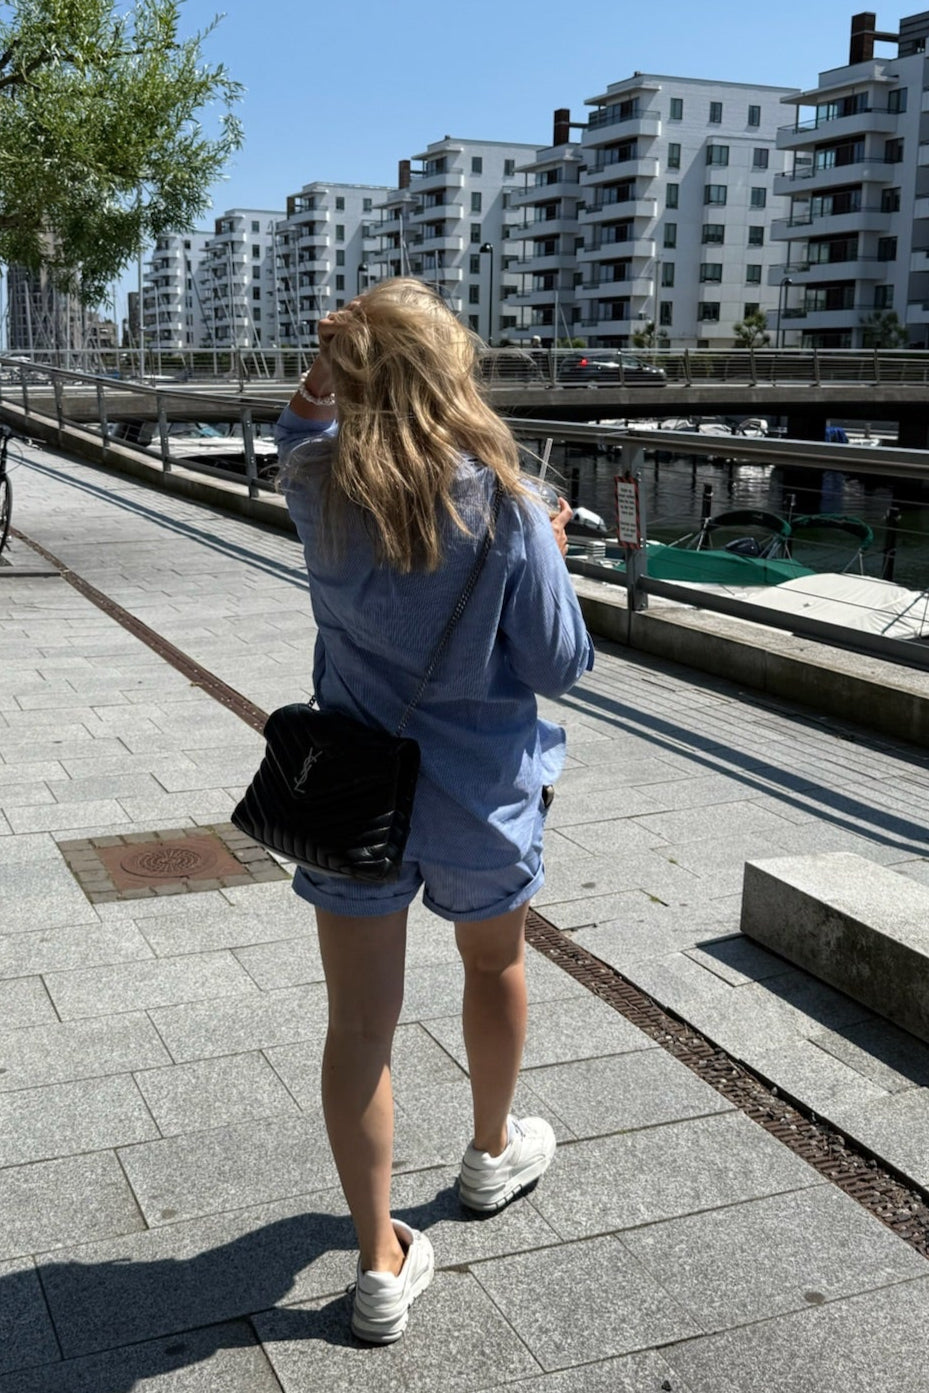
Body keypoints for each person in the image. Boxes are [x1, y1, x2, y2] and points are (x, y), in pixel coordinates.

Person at [274, 278, 593, 1345]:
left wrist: (327, 372)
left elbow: (301, 420)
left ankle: (378, 1264)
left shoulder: (314, 480)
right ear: (451, 371)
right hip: (479, 794)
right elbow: (558, 661)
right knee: (491, 964)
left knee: (358, 1024)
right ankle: (490, 1149)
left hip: (354, 793)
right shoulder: (501, 500)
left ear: (357, 377)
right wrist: (550, 548)